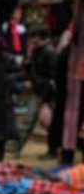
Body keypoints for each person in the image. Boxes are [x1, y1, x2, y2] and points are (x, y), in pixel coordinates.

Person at [26, 25, 57, 159]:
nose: (31, 40)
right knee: (32, 120)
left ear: (39, 37)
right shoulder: (36, 51)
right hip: (39, 90)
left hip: (46, 93)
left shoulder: (49, 52)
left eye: (33, 37)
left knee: (48, 122)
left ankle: (53, 150)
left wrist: (47, 95)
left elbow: (52, 76)